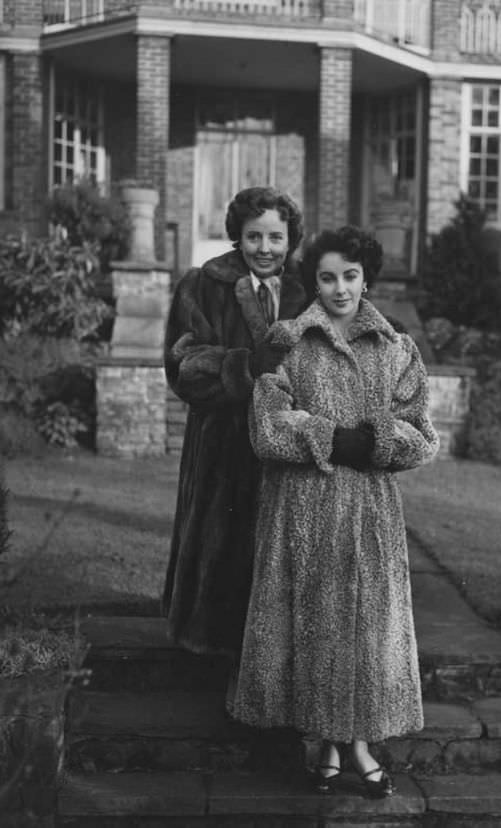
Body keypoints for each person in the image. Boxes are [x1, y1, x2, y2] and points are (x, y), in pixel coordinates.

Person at [232, 225, 439, 797]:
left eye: (350, 275)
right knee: (314, 624)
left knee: (366, 631)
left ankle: (354, 744)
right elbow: (268, 430)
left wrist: (372, 442)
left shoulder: (397, 347)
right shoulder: (287, 342)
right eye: (327, 277)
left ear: (365, 276)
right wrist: (333, 439)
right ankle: (330, 743)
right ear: (313, 282)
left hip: (370, 513)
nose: (340, 288)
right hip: (302, 510)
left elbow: (422, 436)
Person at [162, 186, 307, 660]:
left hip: (286, 446)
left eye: (275, 238)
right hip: (222, 444)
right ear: (237, 237)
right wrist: (248, 366)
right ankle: (206, 656)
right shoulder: (204, 284)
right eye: (254, 237)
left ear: (290, 240)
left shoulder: (307, 290)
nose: (265, 249)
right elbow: (182, 364)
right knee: (218, 551)